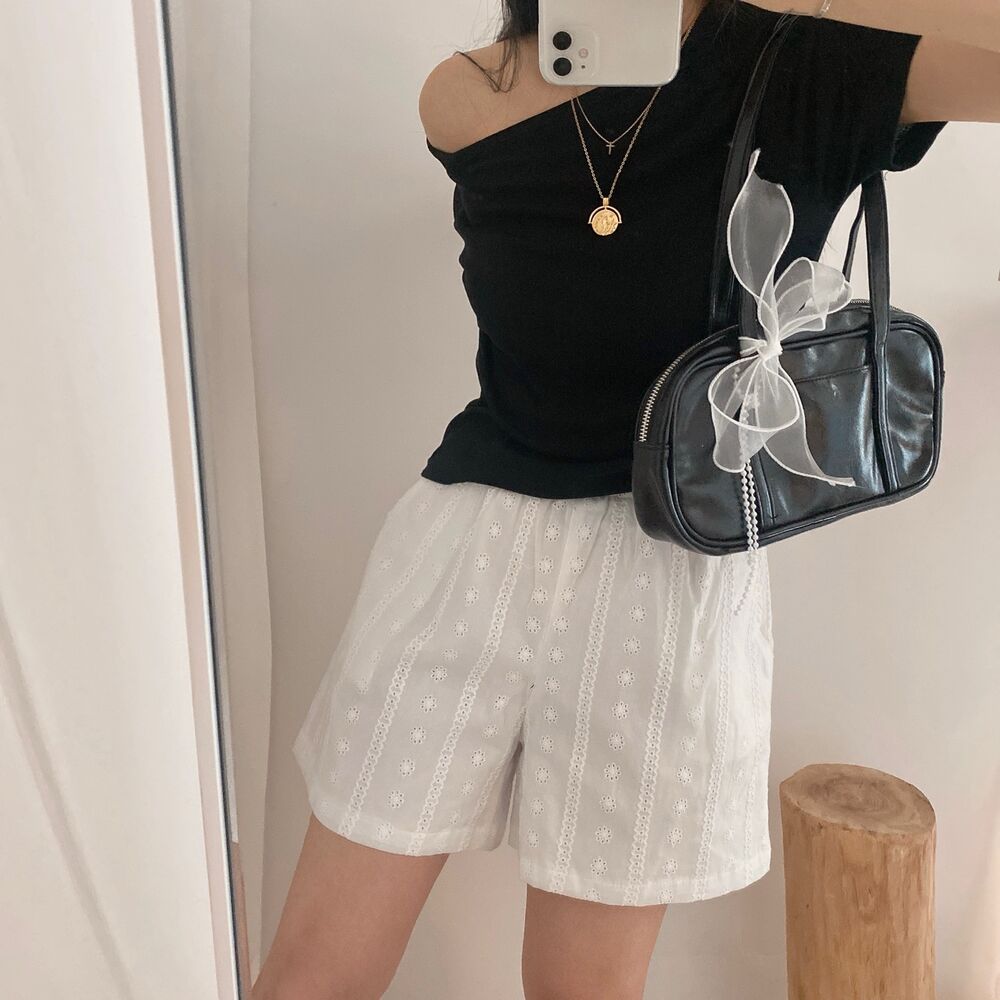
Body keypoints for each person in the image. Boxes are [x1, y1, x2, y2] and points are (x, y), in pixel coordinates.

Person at [253, 1, 999, 997]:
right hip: (465, 554)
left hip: (671, 578)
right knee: (311, 976)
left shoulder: (806, 63)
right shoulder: (468, 91)